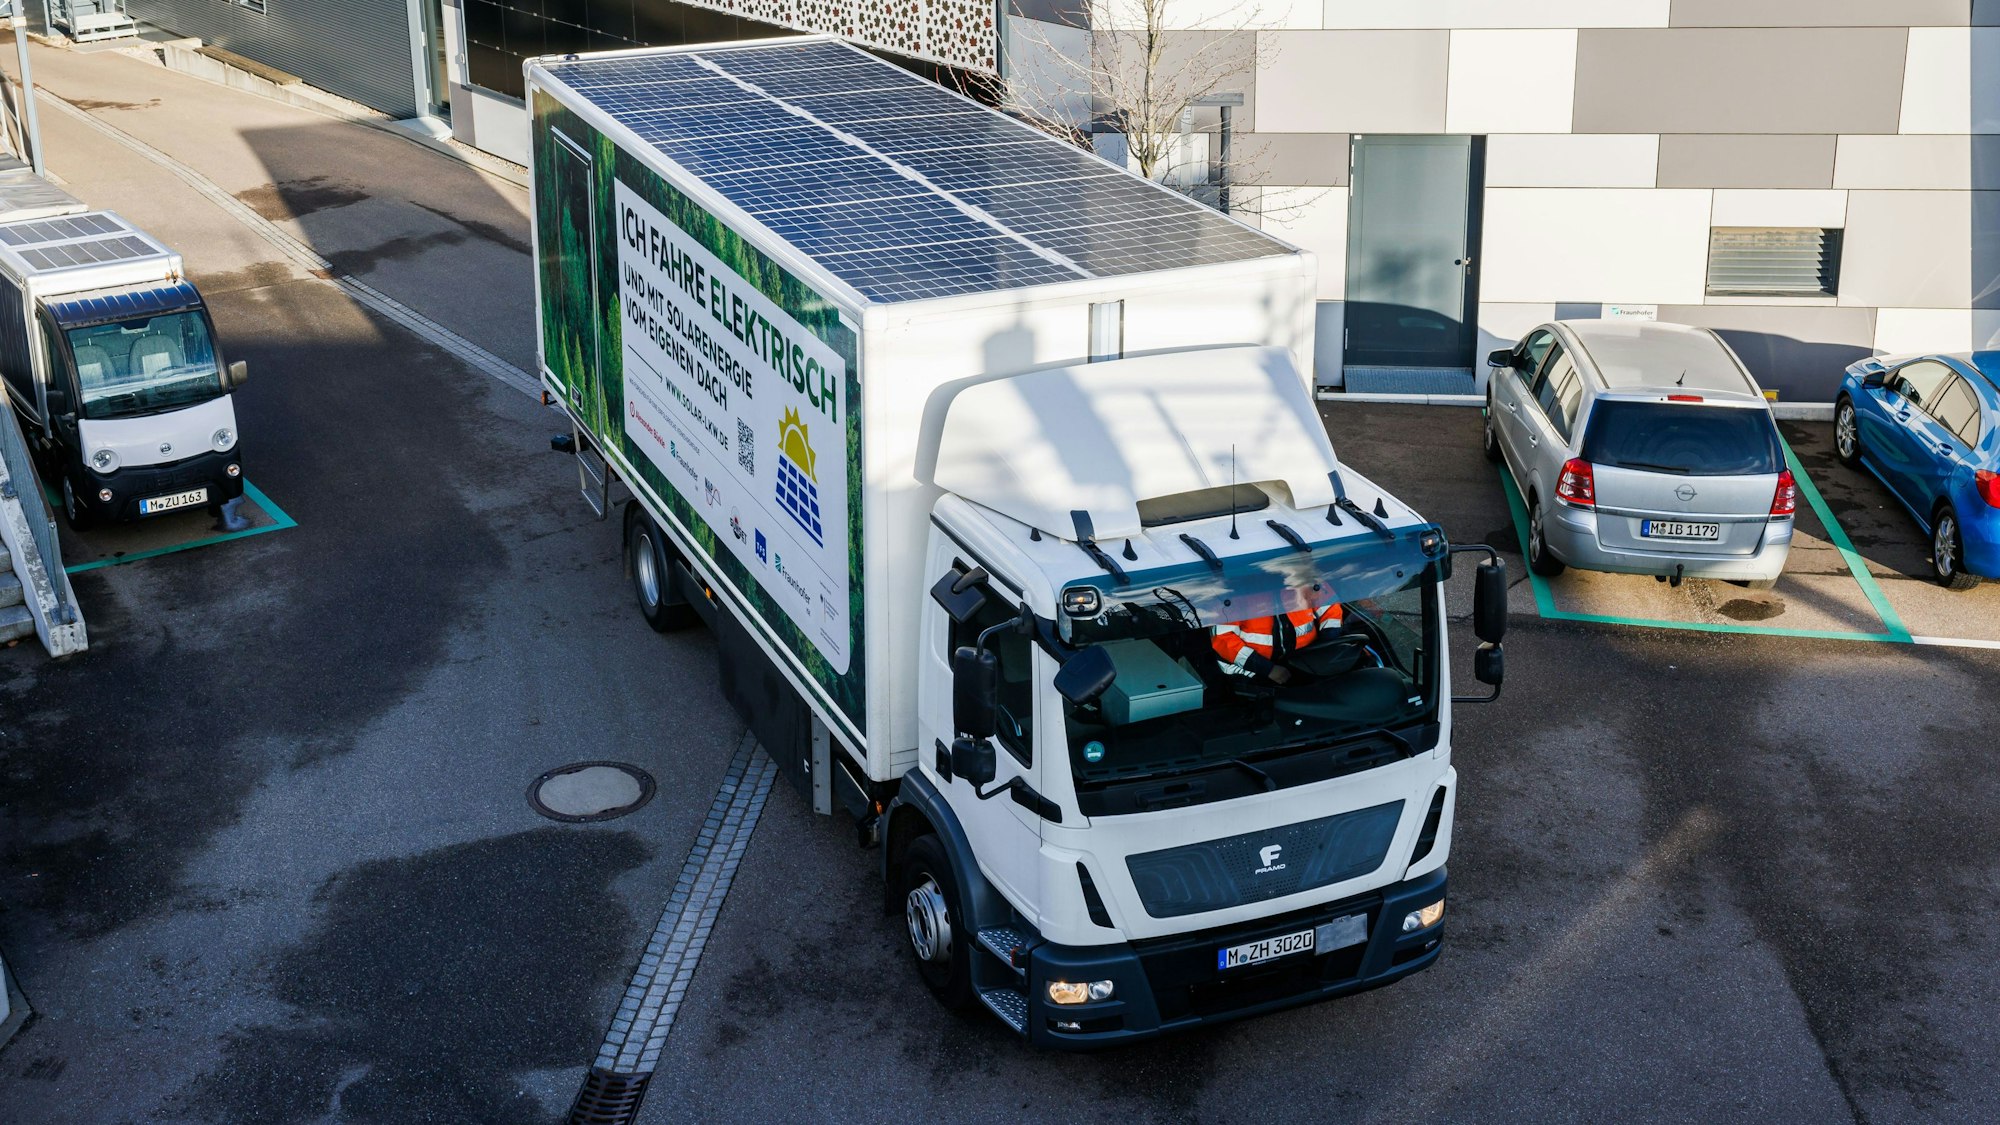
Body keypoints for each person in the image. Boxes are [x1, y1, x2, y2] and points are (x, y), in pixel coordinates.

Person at [1211, 597, 1343, 684]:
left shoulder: (1304, 579)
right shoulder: (1233, 594)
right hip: (1250, 672)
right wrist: (1268, 669)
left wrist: (1326, 648)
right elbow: (1222, 638)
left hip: (1305, 663)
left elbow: (1331, 610)